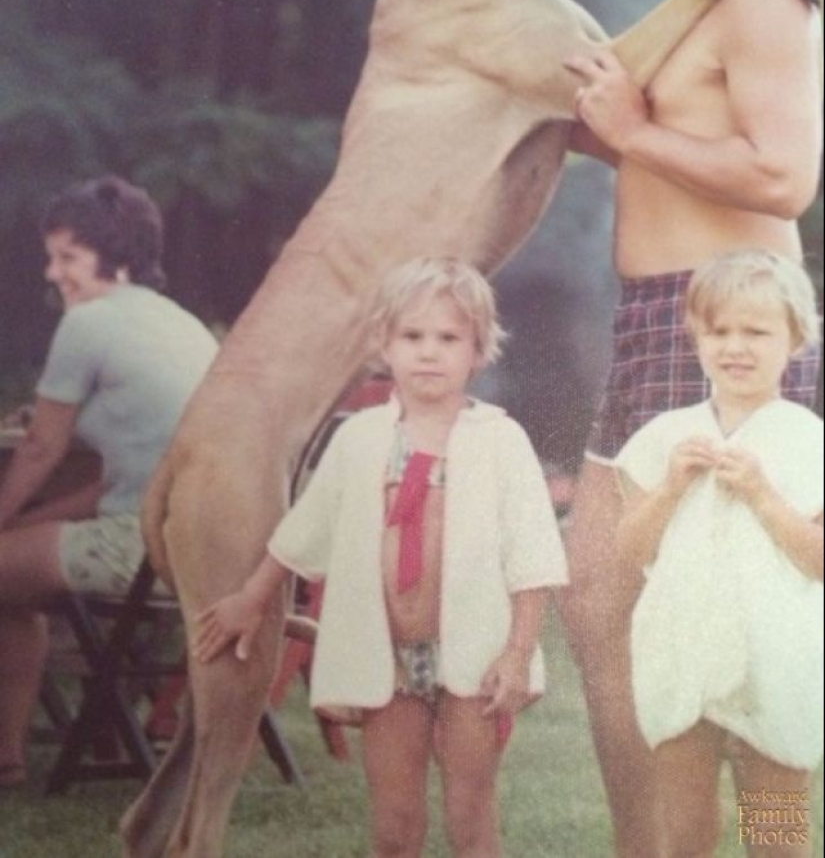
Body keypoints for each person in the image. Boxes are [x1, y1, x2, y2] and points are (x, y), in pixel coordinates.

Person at [560, 0, 822, 855]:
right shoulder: (688, 13)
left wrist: (630, 131)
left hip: (721, 316)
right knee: (607, 608)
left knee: (730, 613)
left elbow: (784, 175)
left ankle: (748, 840)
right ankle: (661, 845)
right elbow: (650, 140)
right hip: (651, 322)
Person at [194, 256, 568, 858]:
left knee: (470, 814)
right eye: (412, 336)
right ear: (384, 346)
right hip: (385, 662)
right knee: (395, 824)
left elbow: (533, 556)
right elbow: (305, 528)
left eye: (448, 338)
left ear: (478, 349)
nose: (429, 352)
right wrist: (252, 597)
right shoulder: (360, 438)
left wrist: (518, 652)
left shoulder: (501, 441)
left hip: (474, 658)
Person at [0, 175, 218, 788]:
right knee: (11, 584)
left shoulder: (89, 325)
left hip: (141, 547)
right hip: (191, 550)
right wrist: (23, 523)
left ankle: (11, 754)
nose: (52, 273)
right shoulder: (178, 322)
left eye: (67, 256)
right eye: (51, 257)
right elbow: (116, 478)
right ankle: (10, 756)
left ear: (115, 253)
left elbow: (42, 446)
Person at [615, 250, 823, 858]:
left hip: (775, 663)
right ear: (696, 337)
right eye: (720, 330)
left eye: (756, 331)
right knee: (685, 839)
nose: (736, 346)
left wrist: (761, 494)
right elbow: (632, 548)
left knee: (776, 839)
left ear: (795, 339)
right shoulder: (662, 437)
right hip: (682, 654)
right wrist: (672, 487)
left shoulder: (809, 441)